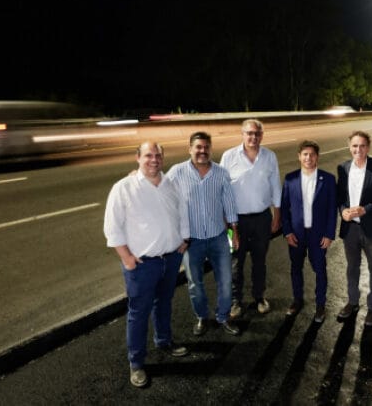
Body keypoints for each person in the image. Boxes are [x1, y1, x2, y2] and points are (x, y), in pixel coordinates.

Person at [103, 141, 191, 388]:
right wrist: (127, 258)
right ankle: (137, 362)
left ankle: (164, 341)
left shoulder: (171, 184)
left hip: (170, 259)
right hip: (142, 265)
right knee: (139, 312)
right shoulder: (124, 187)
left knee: (164, 303)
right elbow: (112, 227)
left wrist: (184, 239)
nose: (154, 160)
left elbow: (182, 213)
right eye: (148, 155)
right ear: (138, 158)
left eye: (158, 156)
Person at [166, 132, 241, 337]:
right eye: (198, 147)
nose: (202, 151)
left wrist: (234, 232)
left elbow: (229, 204)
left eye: (206, 147)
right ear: (190, 149)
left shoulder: (221, 173)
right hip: (192, 241)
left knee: (226, 281)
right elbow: (161, 192)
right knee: (194, 284)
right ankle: (202, 316)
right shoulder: (177, 172)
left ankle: (223, 316)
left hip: (219, 237)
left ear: (210, 148)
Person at [220, 119, 281, 318]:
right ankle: (235, 301)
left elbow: (275, 186)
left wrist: (276, 215)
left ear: (261, 135)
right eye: (249, 133)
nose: (253, 137)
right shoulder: (228, 156)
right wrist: (226, 222)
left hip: (262, 218)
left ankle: (259, 297)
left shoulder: (269, 156)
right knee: (234, 262)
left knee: (260, 261)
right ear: (242, 134)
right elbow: (222, 189)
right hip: (234, 221)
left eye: (257, 133)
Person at [336, 131, 372, 326]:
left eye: (362, 146)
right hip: (350, 229)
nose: (358, 149)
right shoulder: (343, 168)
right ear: (349, 147)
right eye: (354, 145)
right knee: (352, 267)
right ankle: (352, 302)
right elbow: (340, 197)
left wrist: (365, 210)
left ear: (368, 147)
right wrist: (343, 211)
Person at [281, 140, 337, 323]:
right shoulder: (290, 179)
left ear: (317, 157)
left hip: (318, 235)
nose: (308, 158)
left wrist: (329, 234)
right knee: (296, 268)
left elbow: (332, 210)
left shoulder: (328, 179)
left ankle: (320, 305)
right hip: (296, 234)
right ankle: (297, 300)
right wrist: (287, 232)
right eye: (305, 154)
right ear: (299, 156)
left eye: (312, 154)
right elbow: (284, 208)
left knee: (320, 270)